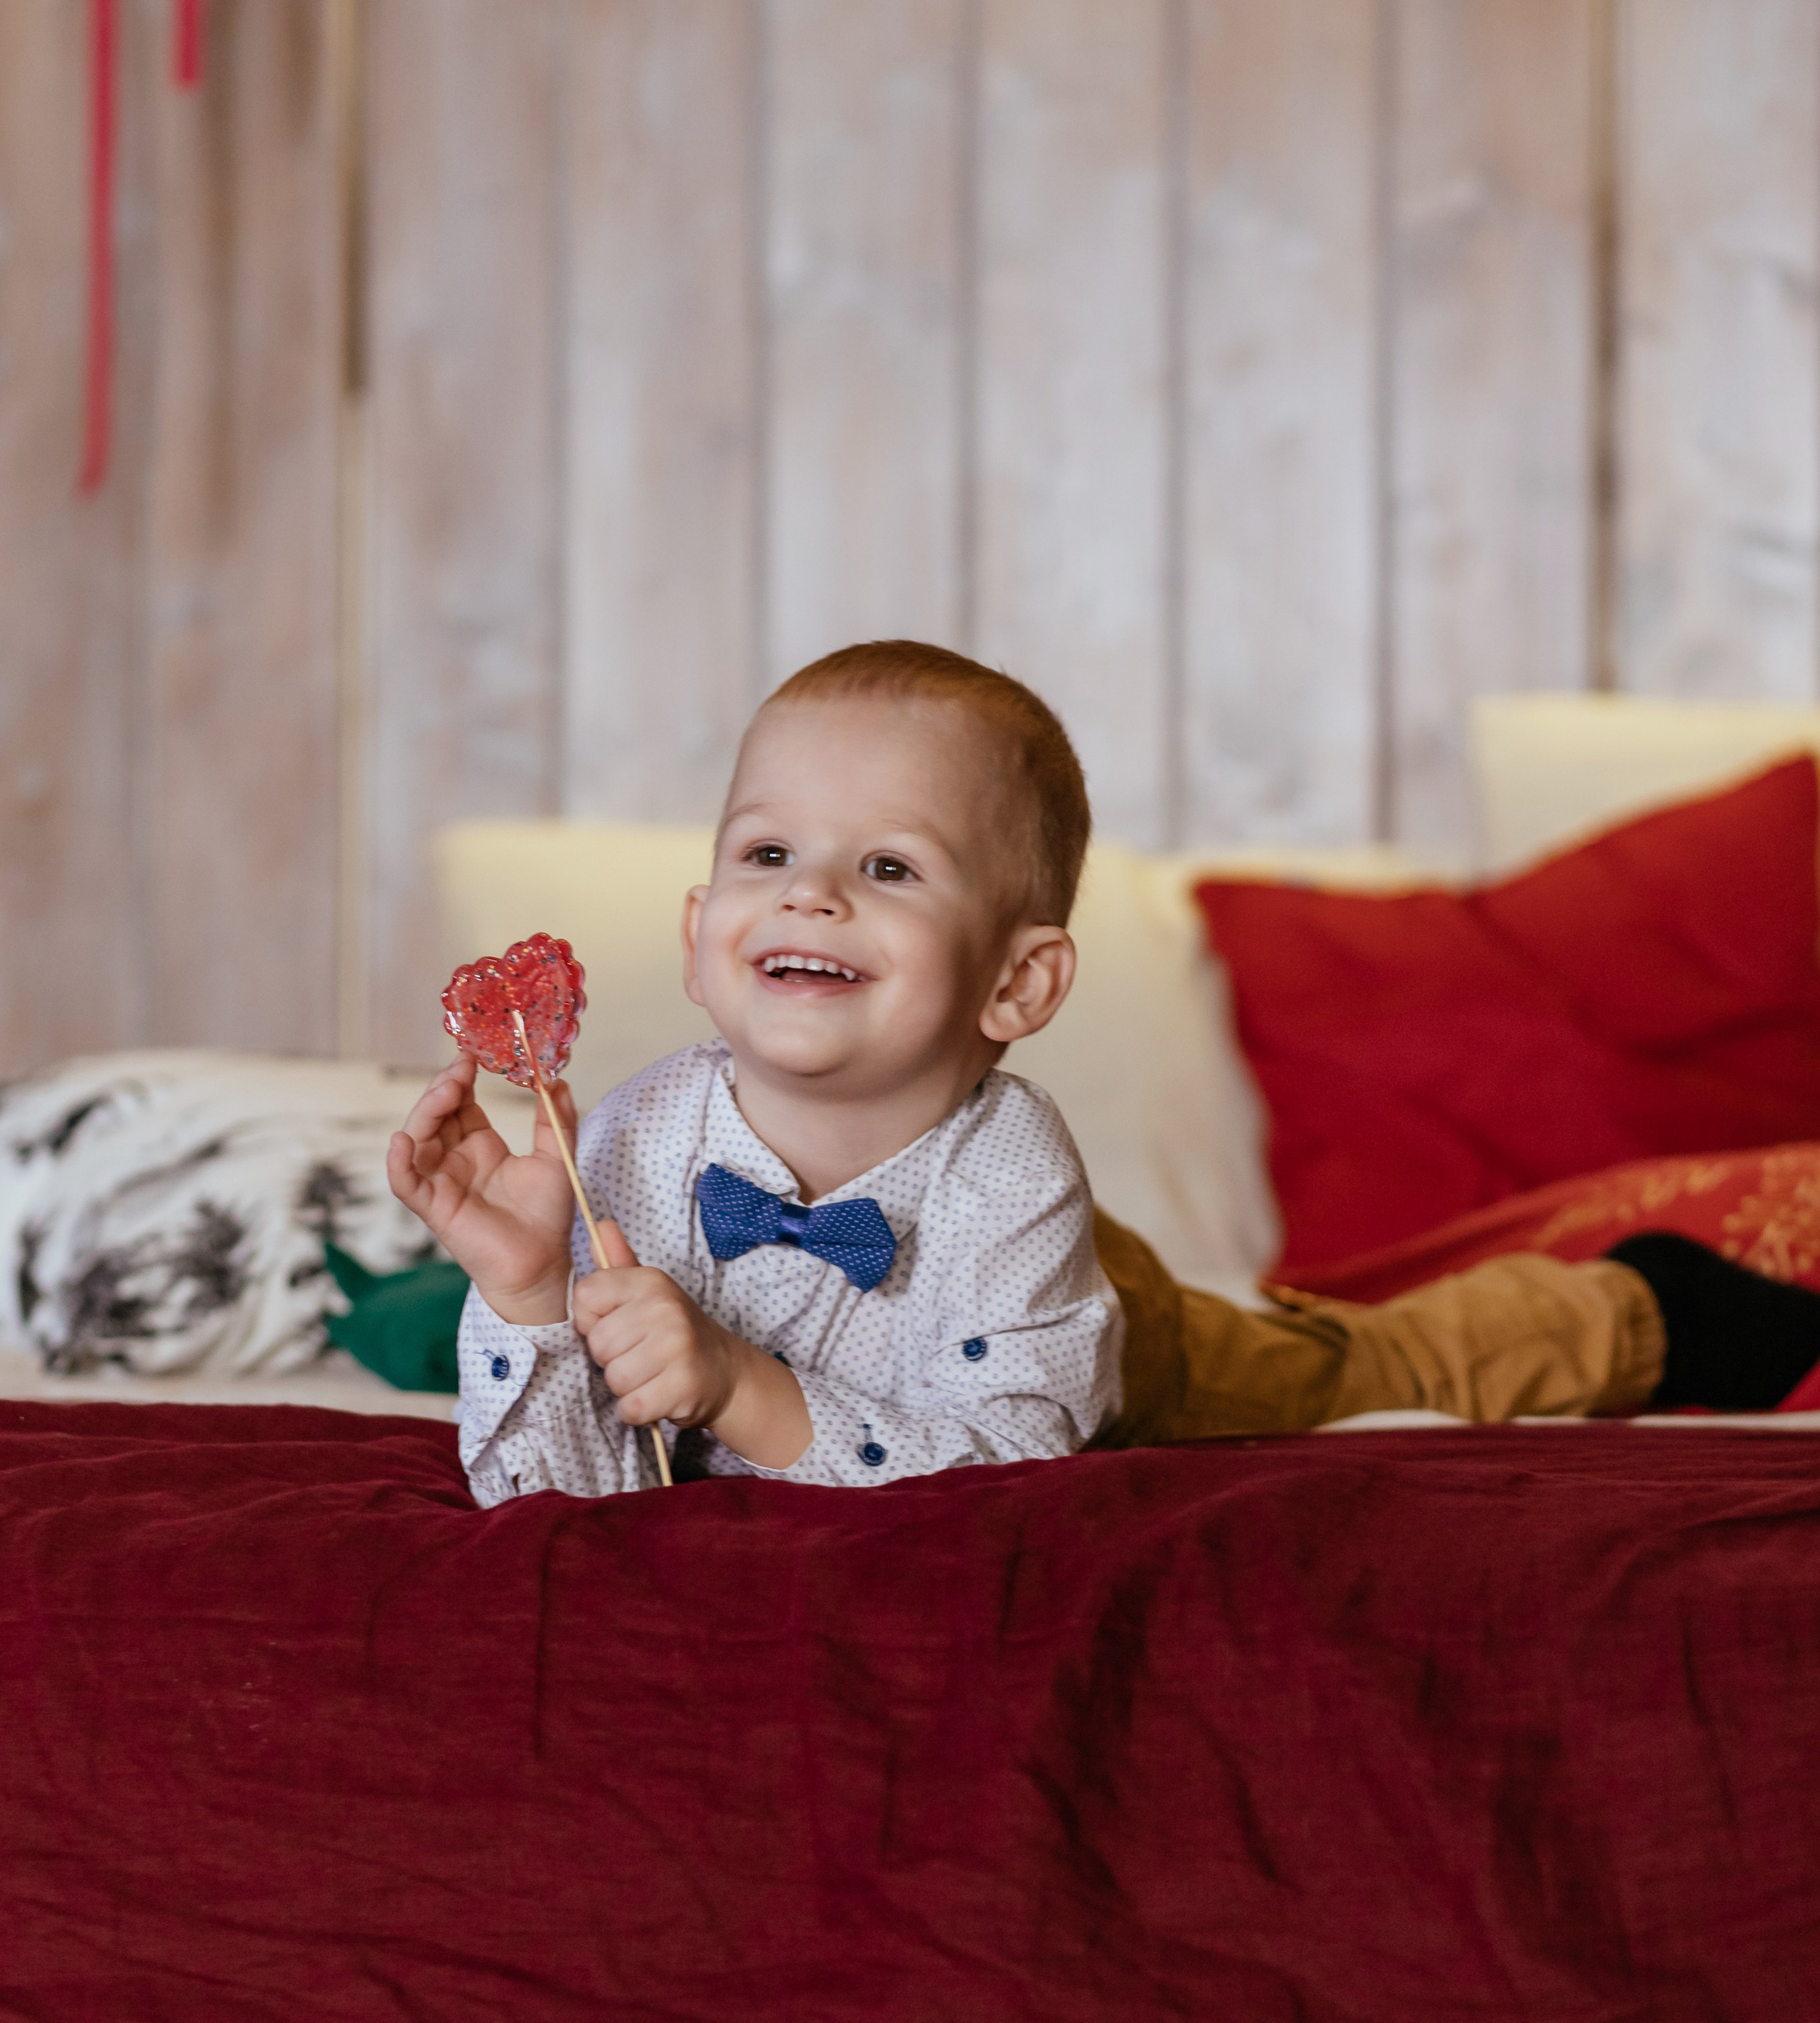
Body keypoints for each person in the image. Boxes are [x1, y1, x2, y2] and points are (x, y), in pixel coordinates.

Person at [388, 642, 1820, 1505]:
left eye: (885, 867)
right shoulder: (630, 1151)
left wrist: (739, 1393)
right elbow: (563, 1503)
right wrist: (522, 1297)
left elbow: (1013, 1470)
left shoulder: (1013, 1170)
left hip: (1094, 1339)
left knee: (1344, 1367)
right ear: (699, 940)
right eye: (769, 854)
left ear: (1017, 984)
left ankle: (1636, 1310)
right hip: (851, 1355)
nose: (811, 893)